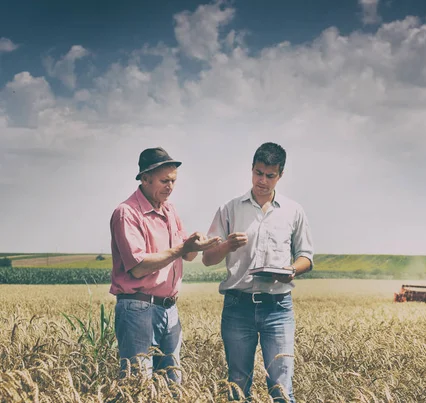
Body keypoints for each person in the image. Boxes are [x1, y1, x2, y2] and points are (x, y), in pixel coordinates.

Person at [203, 142, 314, 403]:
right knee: (238, 386)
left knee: (282, 387)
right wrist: (227, 245)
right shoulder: (229, 208)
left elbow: (306, 257)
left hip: (278, 307)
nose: (262, 180)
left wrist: (291, 270)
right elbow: (208, 258)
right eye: (258, 172)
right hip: (237, 307)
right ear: (251, 169)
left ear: (281, 175)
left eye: (269, 175)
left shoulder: (293, 211)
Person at [109, 147, 220, 383]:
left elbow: (187, 256)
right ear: (145, 178)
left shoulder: (170, 210)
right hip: (137, 307)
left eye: (173, 181)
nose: (170, 187)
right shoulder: (127, 213)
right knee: (138, 385)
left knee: (172, 384)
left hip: (169, 310)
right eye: (164, 180)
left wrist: (197, 244)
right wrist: (183, 247)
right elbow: (138, 266)